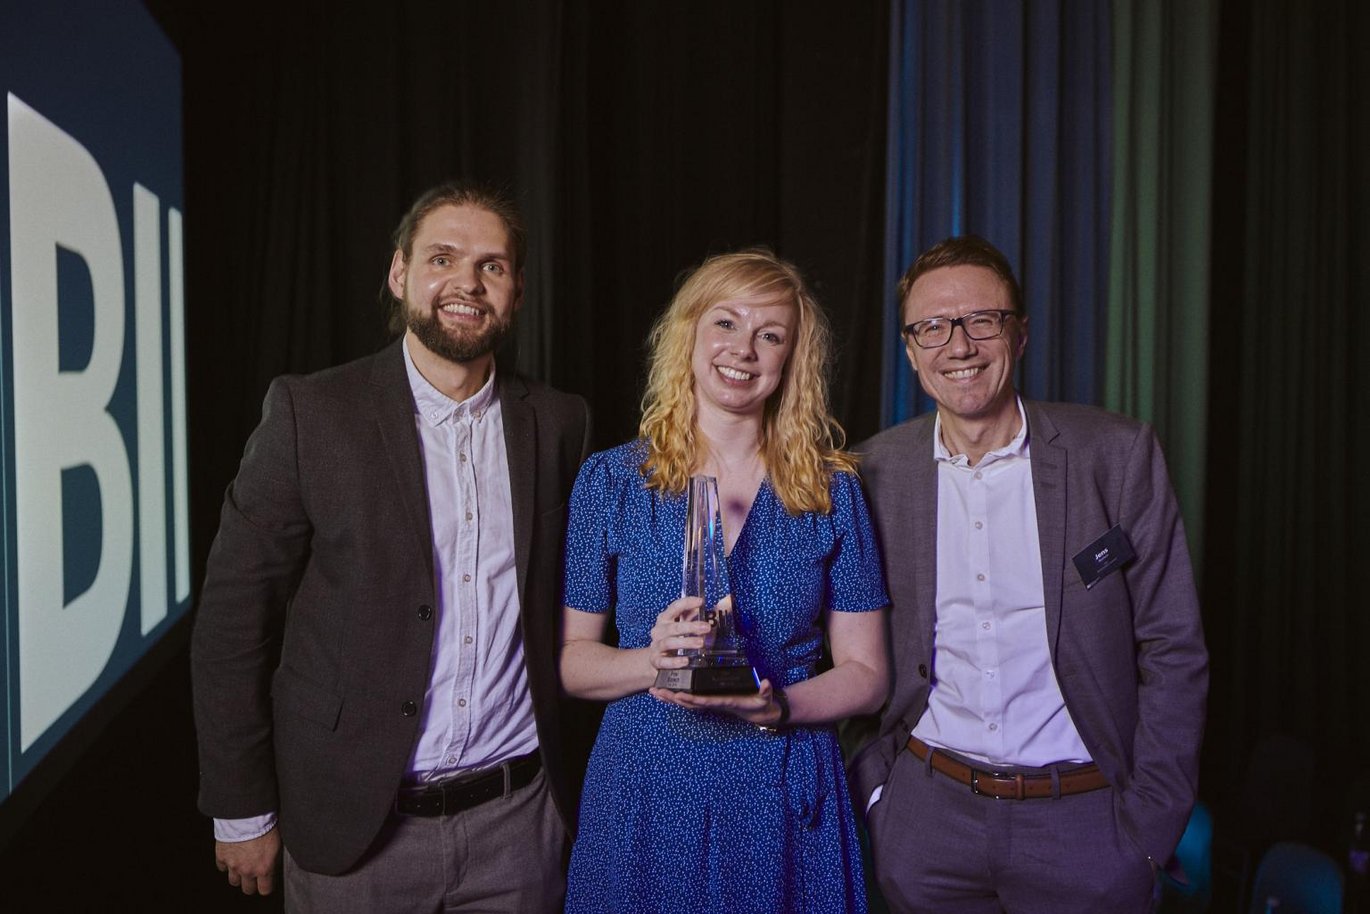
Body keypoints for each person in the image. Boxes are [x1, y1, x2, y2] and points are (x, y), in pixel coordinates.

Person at [191, 181, 591, 912]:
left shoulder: (562, 423)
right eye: (443, 258)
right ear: (400, 273)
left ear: (517, 291)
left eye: (492, 266)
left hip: (518, 826)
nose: (467, 283)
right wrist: (241, 806)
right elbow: (232, 620)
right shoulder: (311, 414)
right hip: (354, 830)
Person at [851, 235, 1208, 914]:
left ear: (1019, 334)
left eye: (982, 320)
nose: (959, 346)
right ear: (910, 350)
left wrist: (1149, 826)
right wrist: (880, 799)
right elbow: (842, 644)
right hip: (928, 821)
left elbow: (1174, 647)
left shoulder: (1116, 455)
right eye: (933, 327)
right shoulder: (871, 474)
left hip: (1087, 827)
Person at [558, 249, 890, 913]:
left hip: (781, 787)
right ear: (689, 333)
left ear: (793, 358)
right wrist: (651, 661)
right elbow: (571, 663)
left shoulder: (833, 490)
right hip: (646, 790)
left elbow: (868, 674)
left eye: (771, 334)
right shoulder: (611, 481)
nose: (744, 349)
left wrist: (780, 707)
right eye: (726, 323)